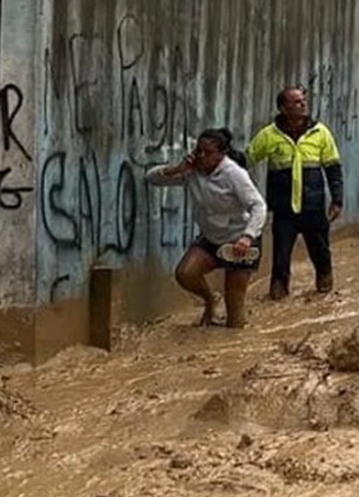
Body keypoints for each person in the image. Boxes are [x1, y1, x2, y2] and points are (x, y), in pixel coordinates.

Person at [147, 128, 267, 328]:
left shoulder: (234, 174)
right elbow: (152, 178)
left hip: (240, 242)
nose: (201, 156)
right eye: (199, 151)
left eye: (208, 152)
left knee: (235, 317)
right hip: (211, 239)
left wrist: (247, 236)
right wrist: (177, 169)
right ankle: (210, 300)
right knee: (185, 273)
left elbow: (258, 206)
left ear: (221, 154)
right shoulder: (191, 172)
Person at [247, 86, 344, 300]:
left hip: (313, 207)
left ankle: (324, 287)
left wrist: (337, 200)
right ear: (283, 108)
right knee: (280, 258)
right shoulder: (269, 135)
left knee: (320, 252)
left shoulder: (320, 132)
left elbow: (333, 168)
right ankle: (278, 294)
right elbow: (247, 159)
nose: (303, 104)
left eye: (303, 101)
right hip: (284, 209)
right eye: (297, 102)